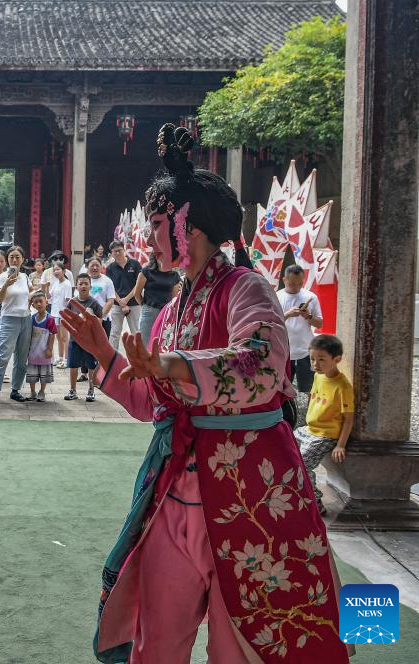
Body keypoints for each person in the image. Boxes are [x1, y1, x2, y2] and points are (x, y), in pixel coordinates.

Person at [64, 124, 345, 663]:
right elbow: (152, 402)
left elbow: (262, 365)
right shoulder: (172, 310)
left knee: (236, 647)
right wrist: (104, 353)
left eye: (157, 226)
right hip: (175, 488)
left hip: (250, 492)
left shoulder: (247, 287)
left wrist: (169, 364)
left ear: (187, 226)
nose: (150, 240)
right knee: (156, 639)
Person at [295, 334, 353, 515]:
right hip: (308, 430)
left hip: (325, 435)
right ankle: (294, 491)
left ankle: (315, 501)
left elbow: (349, 418)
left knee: (303, 464)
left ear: (337, 359)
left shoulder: (342, 386)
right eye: (312, 359)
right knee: (283, 446)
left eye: (321, 359)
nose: (315, 364)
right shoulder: (318, 377)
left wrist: (340, 445)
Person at [0, 246, 33, 405]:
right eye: (11, 257)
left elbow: (30, 293)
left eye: (17, 257)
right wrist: (6, 284)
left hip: (26, 319)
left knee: (22, 358)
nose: (14, 260)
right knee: (2, 356)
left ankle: (15, 389)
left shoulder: (25, 277)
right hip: (9, 319)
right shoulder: (1, 277)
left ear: (23, 260)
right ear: (7, 260)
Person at [277, 264, 323, 393]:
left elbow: (319, 324)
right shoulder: (276, 297)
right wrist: (287, 315)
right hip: (284, 351)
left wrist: (308, 316)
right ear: (284, 280)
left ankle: (309, 407)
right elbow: (270, 324)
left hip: (306, 351)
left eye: (300, 284)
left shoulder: (311, 297)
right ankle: (287, 406)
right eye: (291, 284)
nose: (296, 287)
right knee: (283, 389)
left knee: (309, 389)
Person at [64, 274, 103, 403]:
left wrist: (91, 319)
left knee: (91, 366)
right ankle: (72, 390)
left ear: (90, 286)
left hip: (89, 342)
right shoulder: (72, 302)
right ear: (76, 286)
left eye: (86, 283)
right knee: (73, 365)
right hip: (74, 340)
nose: (83, 286)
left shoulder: (94, 303)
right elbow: (67, 319)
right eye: (81, 283)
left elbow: (100, 321)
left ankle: (91, 390)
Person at [130, 255, 181, 340]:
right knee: (145, 340)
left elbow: (174, 298)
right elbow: (136, 293)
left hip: (166, 312)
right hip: (149, 311)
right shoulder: (146, 271)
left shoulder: (175, 275)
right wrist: (145, 306)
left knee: (163, 340)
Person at [106, 241, 142, 349]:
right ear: (111, 253)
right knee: (114, 332)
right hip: (117, 304)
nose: (117, 253)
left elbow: (139, 284)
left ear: (124, 250)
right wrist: (121, 302)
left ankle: (138, 355)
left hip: (134, 303)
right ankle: (113, 356)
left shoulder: (135, 264)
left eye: (119, 250)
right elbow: (111, 287)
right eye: (114, 251)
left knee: (136, 332)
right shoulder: (110, 268)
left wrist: (126, 299)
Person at [25, 291, 57, 402]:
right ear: (32, 305)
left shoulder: (50, 319)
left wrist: (49, 349)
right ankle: (32, 392)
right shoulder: (32, 318)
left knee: (44, 375)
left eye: (41, 301)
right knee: (32, 375)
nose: (38, 304)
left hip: (44, 353)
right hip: (33, 353)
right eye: (36, 302)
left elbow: (52, 335)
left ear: (46, 302)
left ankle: (42, 391)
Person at [47, 263, 73, 368]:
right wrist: (46, 287)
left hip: (63, 313)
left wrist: (65, 312)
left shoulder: (67, 283)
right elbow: (49, 297)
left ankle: (67, 359)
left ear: (64, 271)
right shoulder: (55, 283)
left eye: (58, 269)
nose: (56, 271)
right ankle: (60, 357)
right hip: (54, 313)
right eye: (54, 270)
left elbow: (68, 299)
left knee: (64, 337)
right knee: (58, 337)